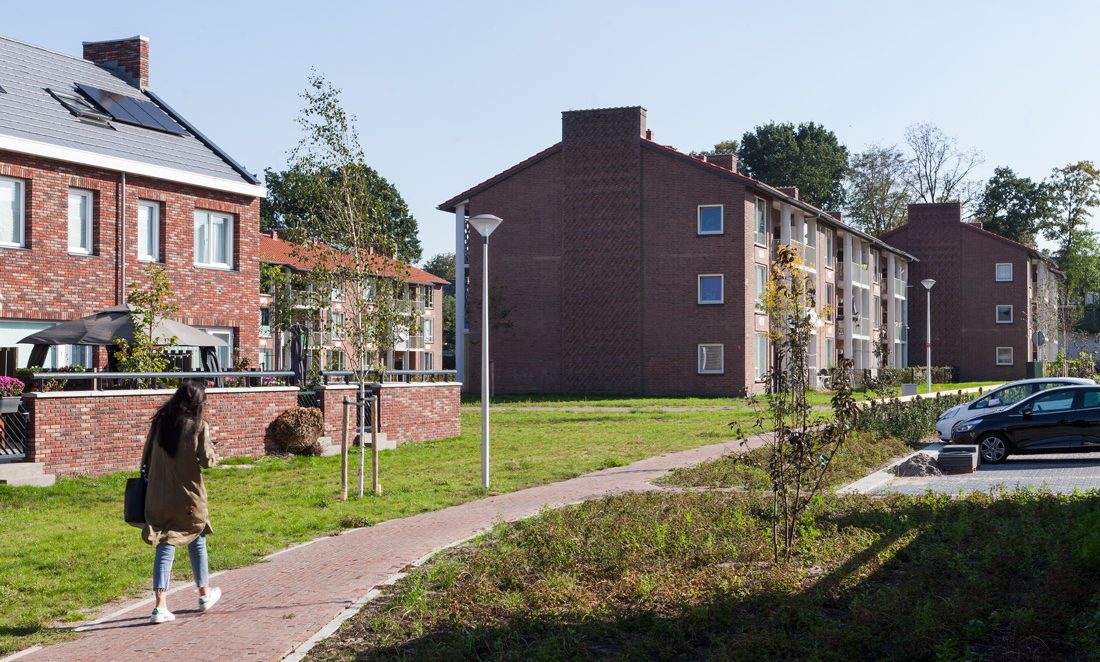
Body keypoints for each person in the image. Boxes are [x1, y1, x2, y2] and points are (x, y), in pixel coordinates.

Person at [140, 379, 222, 623]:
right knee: (197, 537)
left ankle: (160, 605)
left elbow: (145, 457)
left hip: (157, 496)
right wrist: (213, 450)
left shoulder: (160, 424)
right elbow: (207, 461)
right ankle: (204, 594)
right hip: (188, 499)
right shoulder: (198, 427)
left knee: (165, 544)